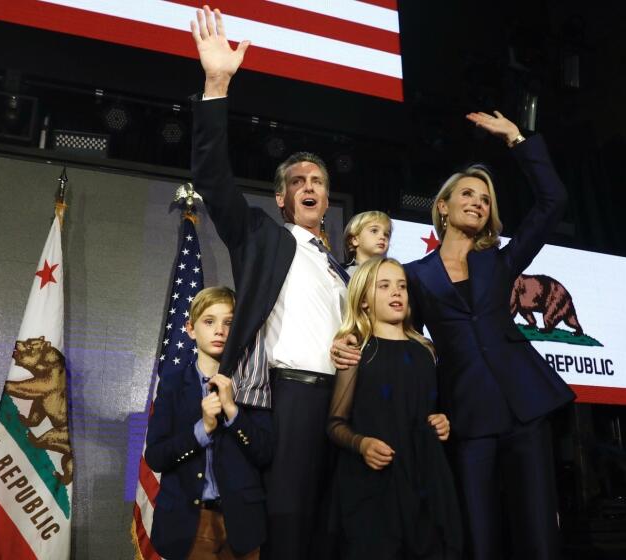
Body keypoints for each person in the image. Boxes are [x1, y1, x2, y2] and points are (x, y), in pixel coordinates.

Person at [333, 111, 574, 559]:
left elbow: (553, 202)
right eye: (467, 194)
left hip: (525, 410)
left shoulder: (500, 261)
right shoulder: (414, 275)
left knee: (541, 538)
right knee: (478, 539)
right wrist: (350, 338)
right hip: (467, 419)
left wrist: (518, 140)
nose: (478, 203)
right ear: (443, 206)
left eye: (485, 199)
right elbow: (400, 333)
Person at [189, 7, 349, 559]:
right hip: (292, 398)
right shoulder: (262, 236)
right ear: (282, 198)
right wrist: (216, 84)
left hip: (344, 405)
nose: (309, 187)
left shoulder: (343, 268)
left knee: (336, 531)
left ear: (327, 201)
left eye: (318, 182)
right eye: (297, 181)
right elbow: (211, 177)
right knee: (290, 532)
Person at [327, 257, 462, 560]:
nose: (397, 293)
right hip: (375, 486)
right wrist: (361, 444)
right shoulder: (356, 349)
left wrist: (442, 421)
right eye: (385, 286)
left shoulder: (426, 351)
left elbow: (433, 409)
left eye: (401, 286)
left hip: (425, 480)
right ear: (363, 300)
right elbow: (335, 423)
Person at [145, 287, 273, 560]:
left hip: (242, 524)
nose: (220, 331)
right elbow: (155, 457)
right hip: (189, 524)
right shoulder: (173, 383)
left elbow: (265, 452)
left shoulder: (253, 384)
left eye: (229, 322)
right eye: (209, 321)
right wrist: (201, 430)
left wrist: (233, 412)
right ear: (191, 329)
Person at [342, 210, 392, 275]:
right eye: (374, 231)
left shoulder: (393, 274)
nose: (382, 237)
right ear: (354, 240)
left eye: (386, 234)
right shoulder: (342, 275)